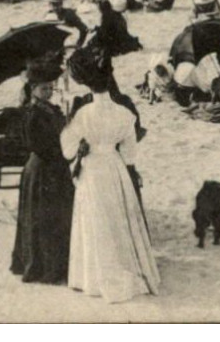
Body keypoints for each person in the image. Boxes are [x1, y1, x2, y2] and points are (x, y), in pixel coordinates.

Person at [61, 50, 160, 303]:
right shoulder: (125, 113)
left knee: (95, 218)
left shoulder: (83, 113)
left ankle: (92, 278)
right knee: (117, 217)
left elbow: (67, 149)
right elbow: (129, 153)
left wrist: (81, 140)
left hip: (92, 167)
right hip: (114, 167)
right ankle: (125, 266)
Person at [11, 56, 74, 285]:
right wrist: (62, 149)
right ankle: (44, 268)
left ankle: (58, 265)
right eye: (43, 88)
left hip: (54, 168)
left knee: (57, 217)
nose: (48, 92)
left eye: (50, 88)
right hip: (42, 171)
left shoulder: (51, 109)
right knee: (44, 220)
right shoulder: (31, 114)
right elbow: (36, 145)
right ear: (33, 89)